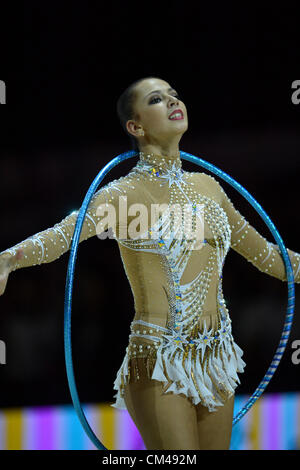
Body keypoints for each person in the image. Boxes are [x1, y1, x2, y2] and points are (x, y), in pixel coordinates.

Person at [0, 77, 299, 450]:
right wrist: (9, 259)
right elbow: (64, 235)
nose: (174, 101)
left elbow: (269, 256)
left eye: (175, 95)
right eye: (157, 99)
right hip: (159, 360)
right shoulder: (124, 194)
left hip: (217, 360)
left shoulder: (209, 187)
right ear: (135, 126)